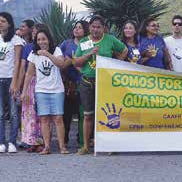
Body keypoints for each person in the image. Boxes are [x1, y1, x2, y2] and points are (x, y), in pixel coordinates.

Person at [74, 15, 127, 155]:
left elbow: (124, 50)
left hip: (105, 82)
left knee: (108, 114)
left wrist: (116, 65)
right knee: (88, 115)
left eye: (99, 27)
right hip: (87, 82)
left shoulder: (109, 39)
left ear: (103, 28)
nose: (96, 29)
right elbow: (76, 62)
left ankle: (109, 146)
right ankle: (86, 146)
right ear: (89, 27)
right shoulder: (85, 41)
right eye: (93, 26)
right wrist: (89, 54)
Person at [21, 29, 68, 155]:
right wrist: (24, 91)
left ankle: (62, 146)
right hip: (41, 90)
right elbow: (29, 73)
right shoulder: (33, 54)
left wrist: (47, 54)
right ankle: (47, 147)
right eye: (39, 39)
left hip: (57, 90)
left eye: (44, 39)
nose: (42, 42)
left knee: (58, 118)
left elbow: (61, 64)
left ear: (49, 39)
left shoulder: (56, 50)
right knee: (44, 119)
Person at [17, 23, 49, 152]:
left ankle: (42, 142)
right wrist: (21, 88)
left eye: (39, 32)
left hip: (44, 83)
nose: (36, 34)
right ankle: (31, 142)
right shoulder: (28, 47)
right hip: (30, 83)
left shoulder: (50, 48)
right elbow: (24, 69)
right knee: (29, 113)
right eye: (34, 32)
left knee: (41, 113)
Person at [60, 20, 89, 145]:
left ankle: (82, 140)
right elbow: (59, 60)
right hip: (68, 83)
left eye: (80, 28)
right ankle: (64, 140)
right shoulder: (66, 43)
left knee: (83, 114)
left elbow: (89, 63)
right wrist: (67, 61)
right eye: (75, 27)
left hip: (83, 82)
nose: (77, 30)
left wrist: (74, 61)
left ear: (85, 30)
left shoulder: (87, 44)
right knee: (66, 114)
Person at [0, 12, 24, 153]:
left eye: (3, 21)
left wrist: (15, 83)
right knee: (0, 113)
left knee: (14, 113)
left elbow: (17, 63)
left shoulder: (16, 40)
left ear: (9, 23)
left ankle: (12, 142)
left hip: (10, 79)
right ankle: (1, 142)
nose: (0, 23)